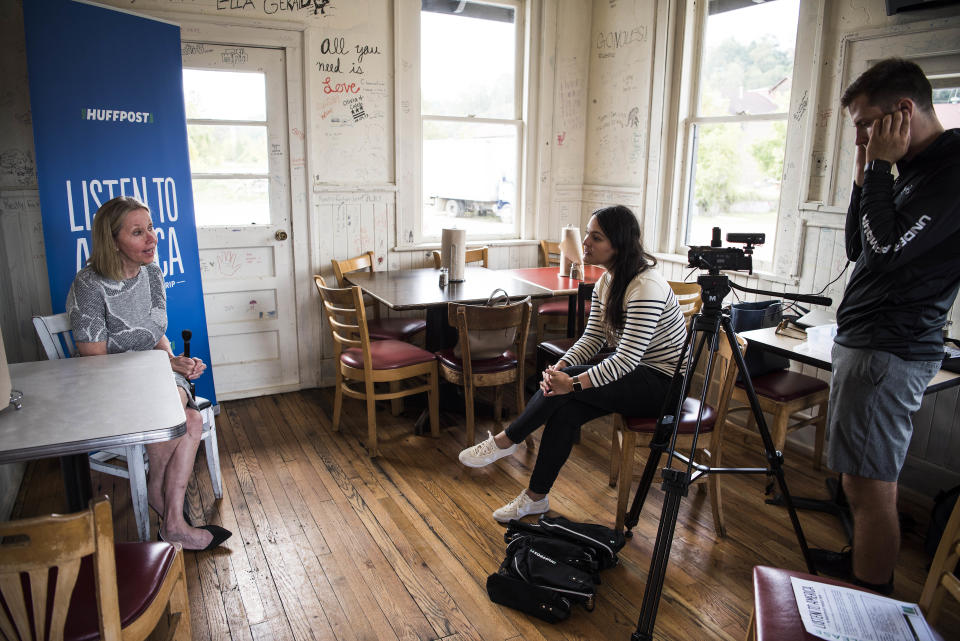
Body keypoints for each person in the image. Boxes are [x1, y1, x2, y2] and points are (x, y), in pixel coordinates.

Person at [813, 58, 960, 594]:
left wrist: (879, 170)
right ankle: (863, 568)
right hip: (870, 344)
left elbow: (881, 253)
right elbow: (859, 245)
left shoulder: (951, 171)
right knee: (858, 480)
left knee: (871, 486)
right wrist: (865, 172)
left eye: (864, 122)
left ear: (903, 111)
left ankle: (870, 595)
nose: (860, 136)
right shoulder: (912, 170)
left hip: (890, 349)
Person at [457, 205, 687, 522]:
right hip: (636, 375)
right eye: (588, 234)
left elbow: (627, 359)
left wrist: (573, 382)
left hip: (663, 386)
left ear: (618, 244)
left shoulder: (645, 287)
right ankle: (536, 498)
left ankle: (507, 440)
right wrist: (563, 367)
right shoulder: (609, 281)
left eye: (596, 237)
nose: (586, 243)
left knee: (567, 391)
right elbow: (593, 338)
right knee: (565, 408)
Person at [66, 196, 232, 551]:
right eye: (138, 232)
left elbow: (154, 333)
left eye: (151, 229)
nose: (152, 239)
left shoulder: (153, 274)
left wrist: (176, 361)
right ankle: (167, 507)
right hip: (109, 384)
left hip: (155, 374)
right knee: (182, 414)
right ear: (112, 242)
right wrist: (163, 365)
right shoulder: (89, 284)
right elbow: (94, 359)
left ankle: (170, 518)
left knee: (186, 416)